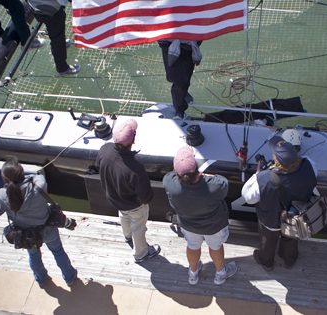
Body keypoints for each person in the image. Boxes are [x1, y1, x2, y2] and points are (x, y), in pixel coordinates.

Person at [0, 156, 77, 287]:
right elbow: (38, 175)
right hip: (48, 229)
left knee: (34, 256)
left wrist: (3, 205)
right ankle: (70, 278)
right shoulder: (39, 185)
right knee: (58, 252)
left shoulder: (1, 195)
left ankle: (41, 279)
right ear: (22, 173)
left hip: (26, 234)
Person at [163, 146, 237, 285]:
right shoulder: (216, 186)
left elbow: (170, 176)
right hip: (214, 227)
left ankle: (193, 274)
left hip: (188, 226)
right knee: (215, 247)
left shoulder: (169, 183)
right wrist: (204, 176)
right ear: (197, 167)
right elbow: (223, 181)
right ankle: (220, 275)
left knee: (192, 246)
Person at [242, 136, 318, 271]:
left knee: (268, 242)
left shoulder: (264, 178)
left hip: (271, 221)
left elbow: (248, 197)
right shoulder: (310, 165)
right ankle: (289, 260)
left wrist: (257, 174)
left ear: (276, 160)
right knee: (291, 240)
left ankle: (266, 262)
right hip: (296, 216)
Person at [96, 118, 160, 263]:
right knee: (138, 227)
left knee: (123, 216)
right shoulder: (136, 169)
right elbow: (145, 197)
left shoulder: (104, 150)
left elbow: (99, 165)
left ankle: (127, 236)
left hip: (114, 199)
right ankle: (141, 253)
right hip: (134, 205)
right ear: (133, 140)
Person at [27, 0, 81, 77]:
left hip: (36, 7)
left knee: (56, 34)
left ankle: (61, 45)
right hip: (51, 12)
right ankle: (62, 69)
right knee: (57, 39)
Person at [158, 39, 202, 119]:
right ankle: (181, 98)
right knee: (172, 77)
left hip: (189, 44)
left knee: (185, 79)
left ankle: (179, 111)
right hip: (168, 42)